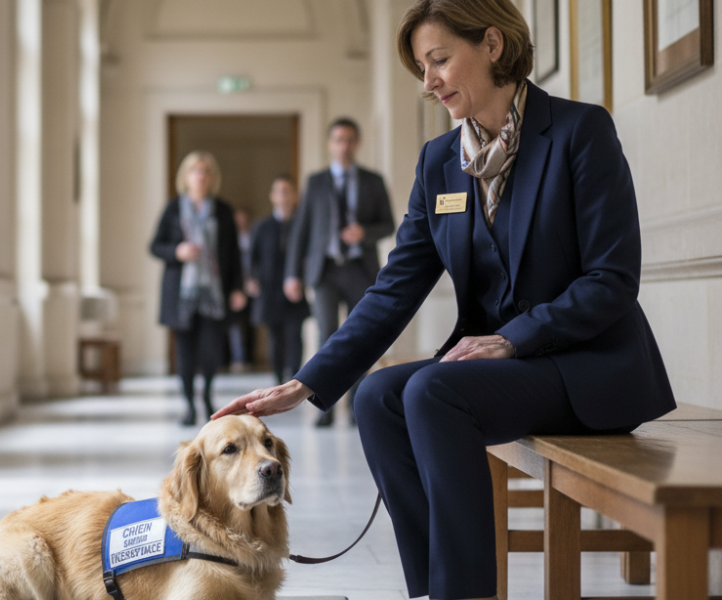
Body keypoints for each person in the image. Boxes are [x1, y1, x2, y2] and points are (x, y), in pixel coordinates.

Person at [215, 1, 676, 598]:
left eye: (438, 60)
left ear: (491, 44)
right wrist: (305, 383)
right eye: (420, 67)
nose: (428, 83)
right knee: (379, 394)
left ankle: (465, 592)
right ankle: (432, 588)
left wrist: (513, 338)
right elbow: (395, 287)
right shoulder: (440, 162)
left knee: (433, 390)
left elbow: (612, 280)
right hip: (502, 370)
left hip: (588, 366)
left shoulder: (579, 131)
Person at [285, 117, 395, 426]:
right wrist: (292, 274)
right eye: (338, 140)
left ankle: (358, 407)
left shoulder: (373, 180)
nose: (343, 146)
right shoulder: (316, 182)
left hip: (361, 270)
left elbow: (388, 223)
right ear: (330, 144)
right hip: (325, 272)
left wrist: (366, 233)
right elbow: (301, 231)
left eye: (349, 139)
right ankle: (326, 407)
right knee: (326, 338)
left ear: (357, 143)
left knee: (362, 338)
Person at [151, 151, 247, 426]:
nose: (201, 176)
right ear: (187, 176)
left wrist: (237, 288)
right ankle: (189, 404)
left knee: (210, 351)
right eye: (195, 170)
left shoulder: (223, 210)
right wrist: (177, 251)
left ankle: (206, 396)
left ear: (211, 177)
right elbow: (155, 246)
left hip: (214, 294)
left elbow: (234, 255)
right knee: (184, 352)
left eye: (206, 171)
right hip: (181, 295)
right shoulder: (173, 208)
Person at [247, 176, 310, 386]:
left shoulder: (303, 225)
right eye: (279, 191)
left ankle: (294, 379)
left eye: (287, 191)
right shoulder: (261, 226)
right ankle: (277, 379)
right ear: (272, 196)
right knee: (275, 338)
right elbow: (251, 257)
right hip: (269, 290)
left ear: (295, 196)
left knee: (294, 336)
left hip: (295, 290)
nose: (283, 196)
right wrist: (251, 278)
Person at [227, 209, 254, 372]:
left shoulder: (252, 237)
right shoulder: (229, 239)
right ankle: (238, 358)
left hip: (250, 287)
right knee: (234, 326)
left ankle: (248, 357)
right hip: (234, 288)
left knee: (250, 324)